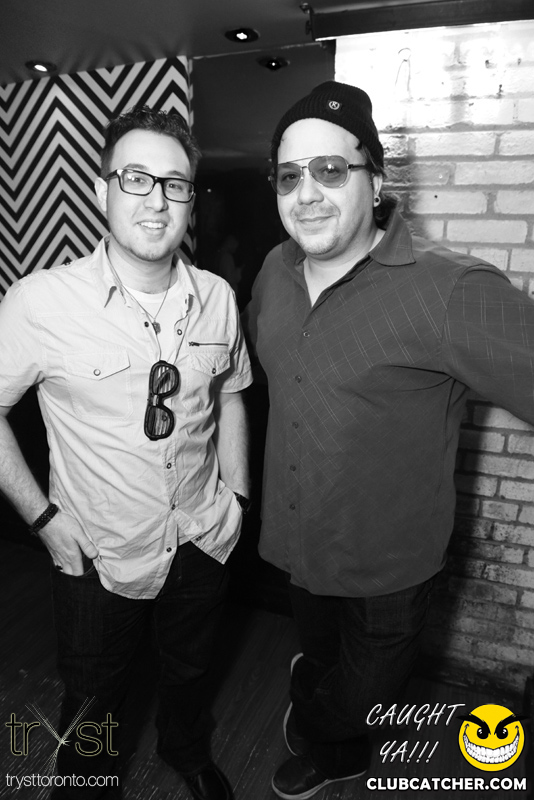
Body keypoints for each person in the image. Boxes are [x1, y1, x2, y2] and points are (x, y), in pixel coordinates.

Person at [244, 80, 534, 799]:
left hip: (390, 569)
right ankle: (320, 695)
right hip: (297, 545)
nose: (306, 193)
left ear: (375, 182)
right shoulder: (273, 273)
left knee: (364, 696)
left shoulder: (450, 290)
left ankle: (327, 736)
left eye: (329, 169)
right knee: (319, 654)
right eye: (288, 176)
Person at [0, 106, 252, 800]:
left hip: (202, 537)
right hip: (96, 555)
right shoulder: (40, 303)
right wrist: (45, 522)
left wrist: (236, 498)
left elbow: (232, 394)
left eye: (175, 184)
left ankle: (185, 748)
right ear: (101, 191)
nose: (156, 200)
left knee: (190, 670)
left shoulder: (217, 298)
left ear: (190, 199)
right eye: (135, 178)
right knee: (93, 697)